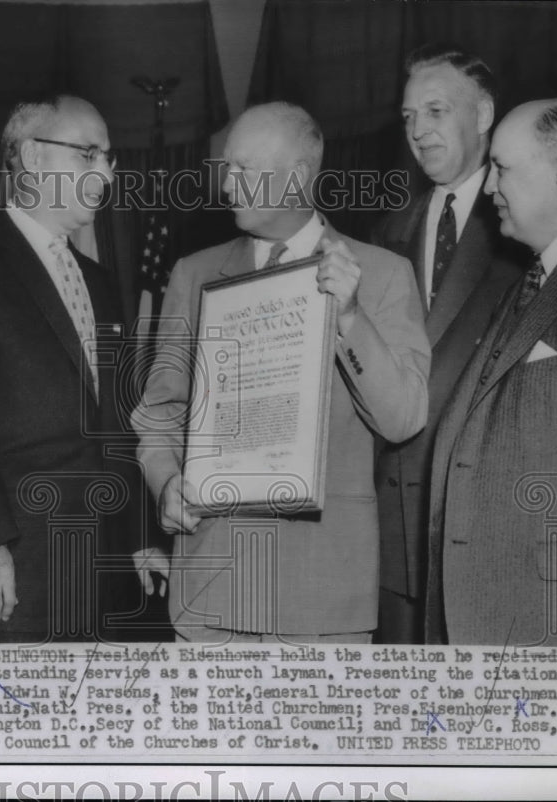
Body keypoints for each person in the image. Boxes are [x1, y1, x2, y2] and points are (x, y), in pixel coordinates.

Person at [132, 102, 430, 643]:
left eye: (244, 169)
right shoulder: (194, 273)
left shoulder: (383, 274)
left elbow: (404, 417)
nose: (227, 184)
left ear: (296, 176)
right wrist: (166, 483)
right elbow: (160, 412)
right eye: (227, 167)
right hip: (211, 589)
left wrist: (350, 318)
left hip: (323, 595)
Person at [0, 96, 152, 643]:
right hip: (11, 576)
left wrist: (139, 535)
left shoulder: (100, 281)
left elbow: (115, 423)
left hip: (104, 578)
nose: (107, 175)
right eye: (88, 154)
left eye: (109, 158)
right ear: (33, 157)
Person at [425, 99, 557, 647]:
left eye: (501, 168)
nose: (489, 187)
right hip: (492, 614)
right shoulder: (527, 282)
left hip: (556, 626)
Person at [372, 44, 526, 643]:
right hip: (393, 534)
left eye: (435, 111)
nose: (418, 131)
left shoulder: (526, 230)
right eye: (409, 117)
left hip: (484, 527)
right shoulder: (386, 232)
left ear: (483, 115)